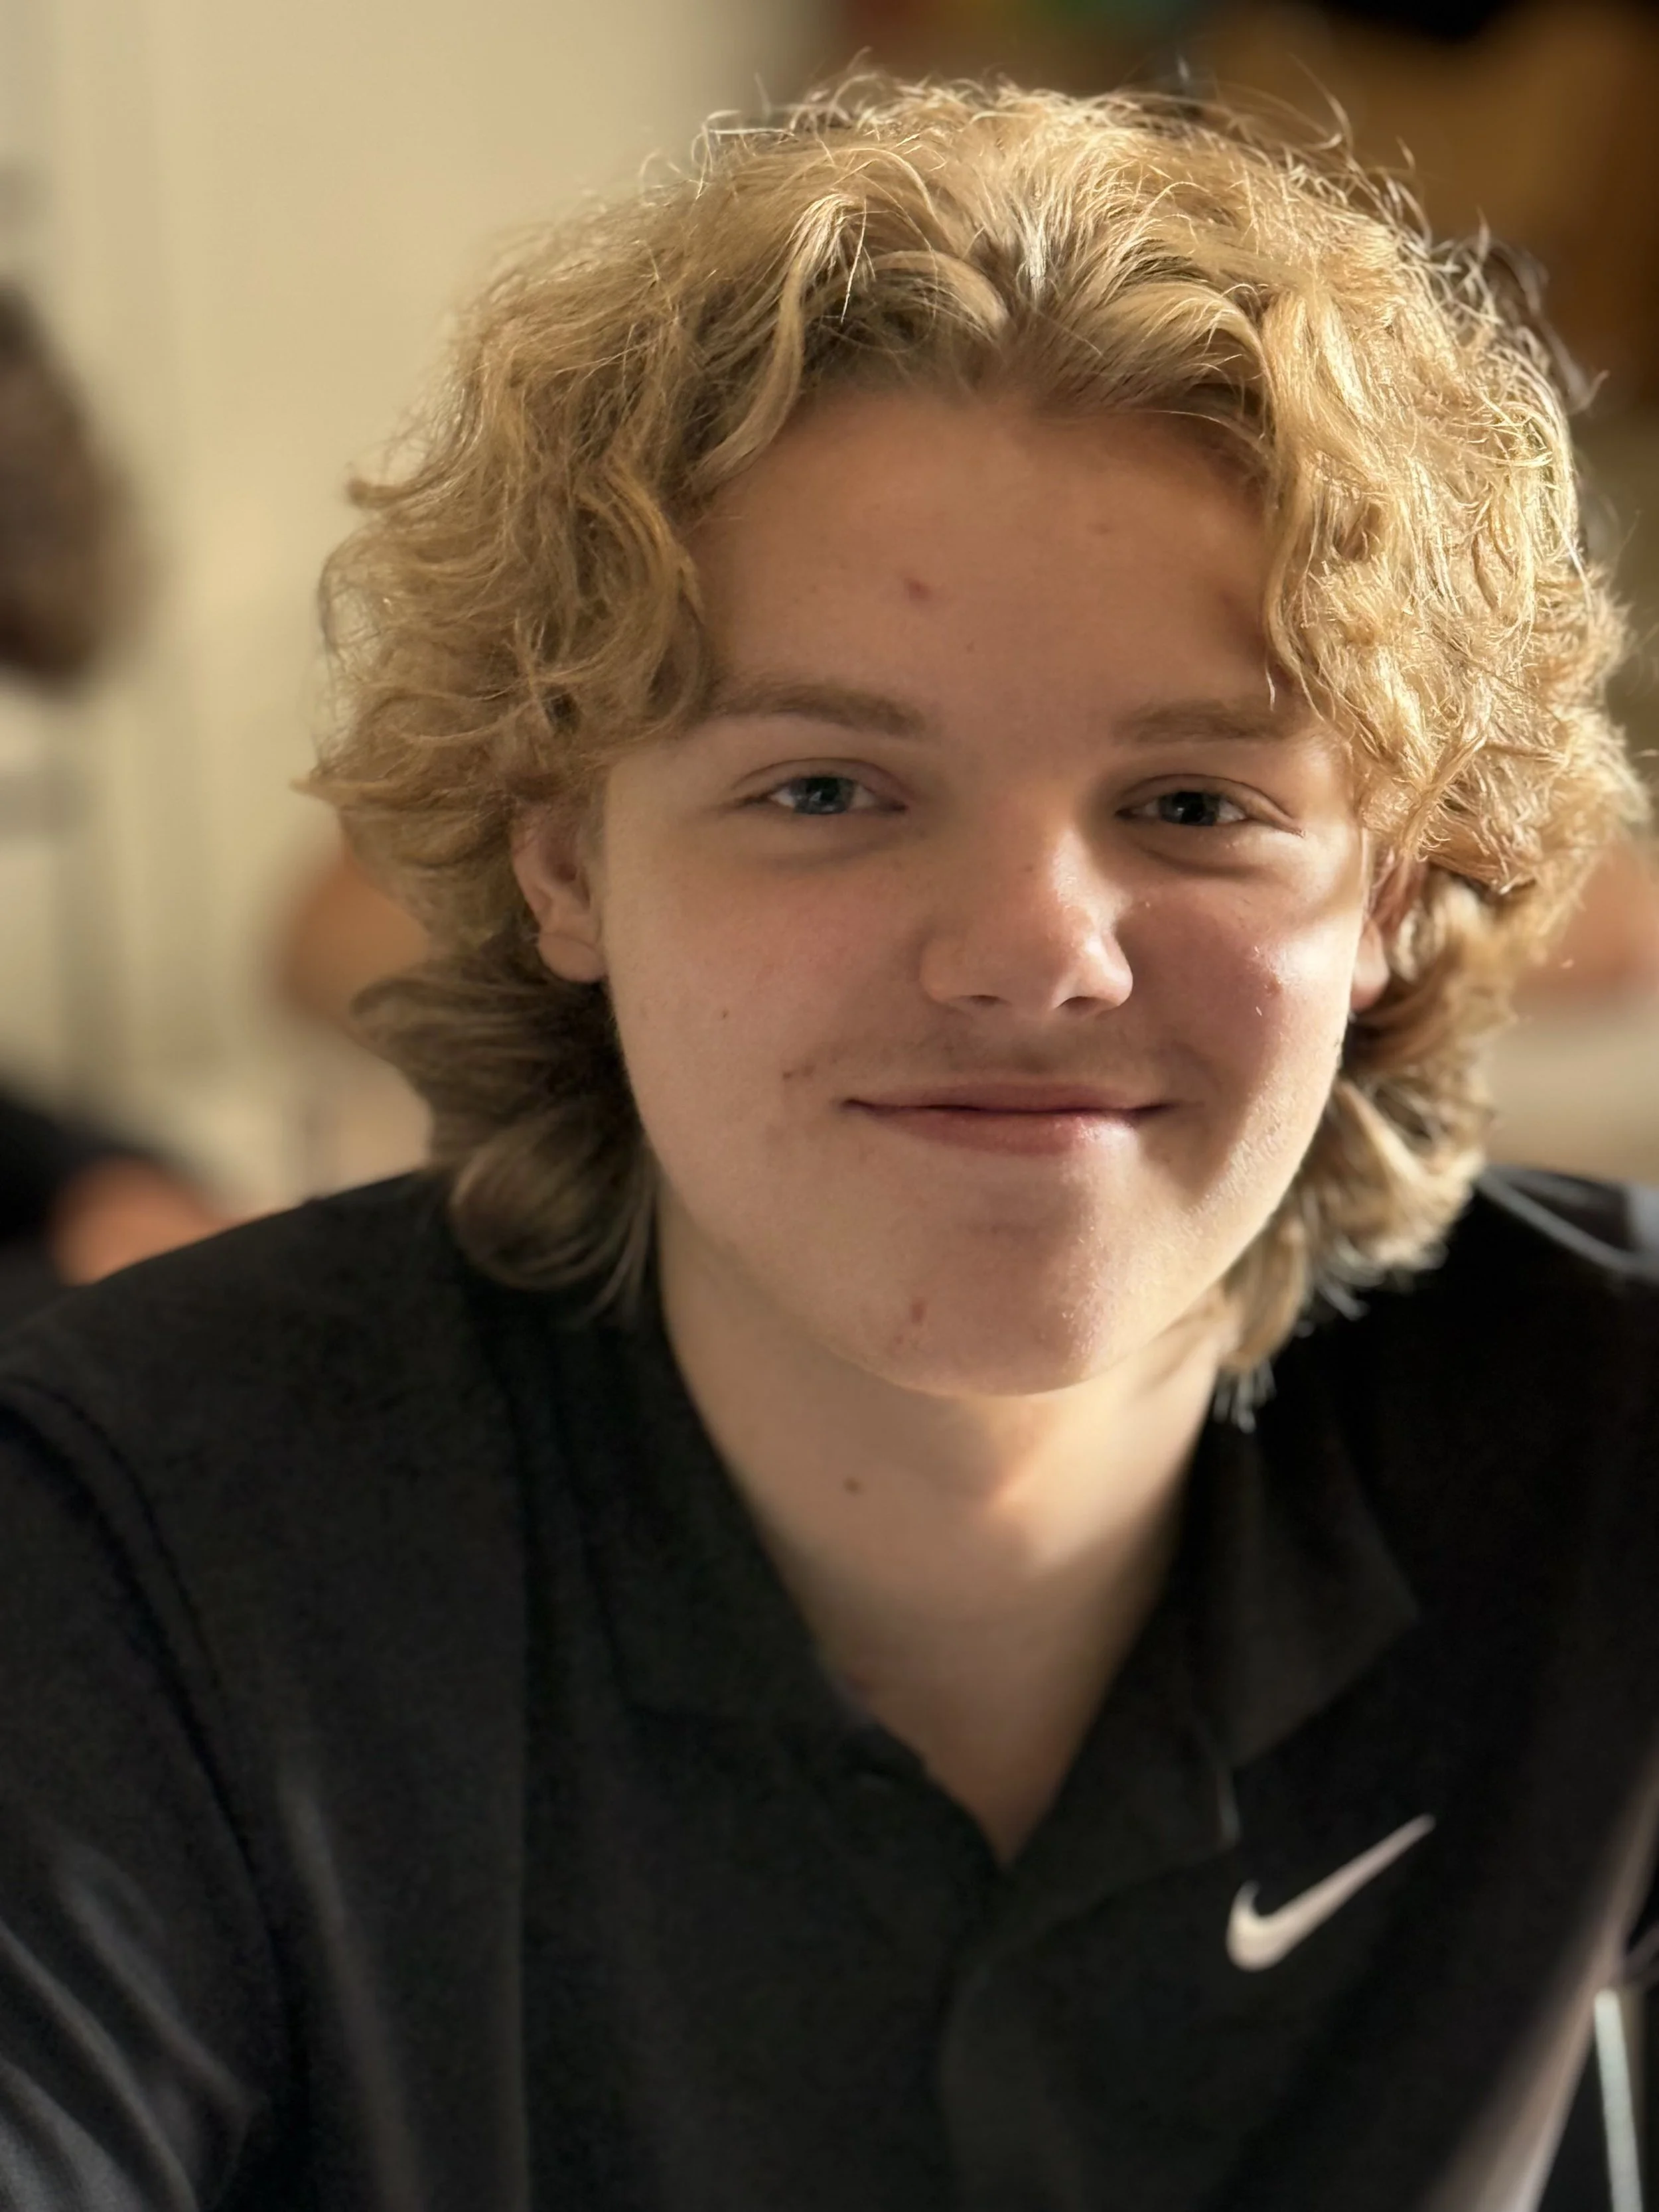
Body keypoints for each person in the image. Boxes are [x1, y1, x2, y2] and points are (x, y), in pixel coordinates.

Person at [0, 71, 1656, 2212]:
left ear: (1401, 893)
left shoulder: (1605, 1448)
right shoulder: (136, 1547)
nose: (1032, 954)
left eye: (1193, 805)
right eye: (823, 791)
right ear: (562, 862)